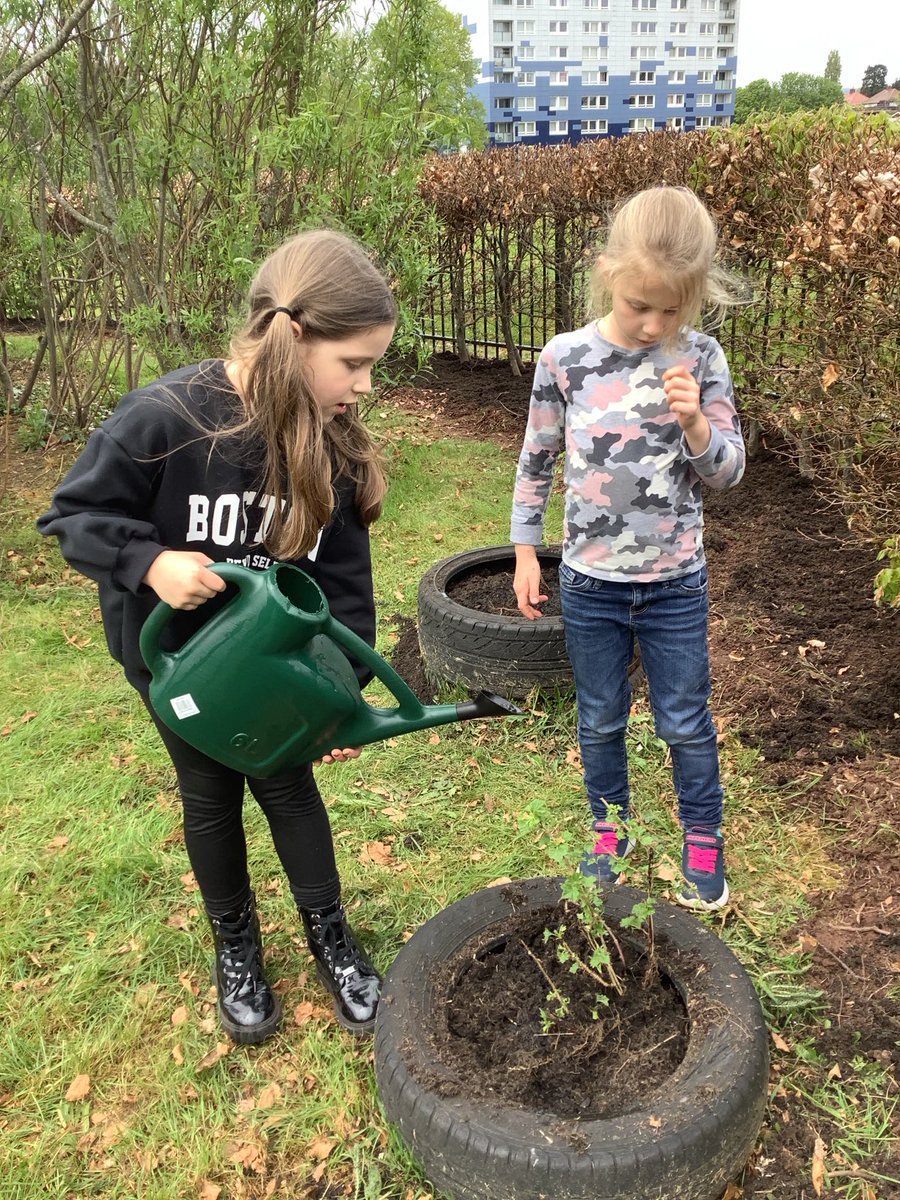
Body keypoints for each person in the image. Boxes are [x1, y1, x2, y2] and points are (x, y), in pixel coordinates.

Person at [38, 229, 397, 1041]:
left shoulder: (324, 442)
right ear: (296, 337)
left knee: (289, 791)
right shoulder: (165, 418)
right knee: (210, 800)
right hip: (184, 674)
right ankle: (236, 944)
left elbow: (343, 588)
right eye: (355, 364)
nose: (365, 385)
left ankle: (329, 936)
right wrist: (152, 563)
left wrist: (341, 698)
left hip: (275, 678)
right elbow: (74, 516)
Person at [511, 186, 746, 912]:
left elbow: (730, 472)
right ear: (607, 270)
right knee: (600, 716)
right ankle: (609, 828)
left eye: (670, 310)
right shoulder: (566, 359)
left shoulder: (701, 359)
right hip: (591, 583)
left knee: (684, 718)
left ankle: (702, 835)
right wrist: (525, 547)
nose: (653, 324)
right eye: (640, 304)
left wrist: (699, 433)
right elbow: (537, 458)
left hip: (675, 582)